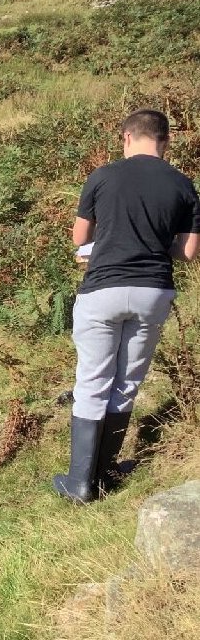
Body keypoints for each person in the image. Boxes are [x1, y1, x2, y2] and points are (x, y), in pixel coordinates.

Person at [53, 109, 200, 504]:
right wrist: (153, 244)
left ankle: (80, 483)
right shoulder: (184, 185)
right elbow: (187, 252)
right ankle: (105, 473)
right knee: (127, 383)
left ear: (126, 138)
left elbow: (79, 236)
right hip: (153, 292)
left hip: (103, 289)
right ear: (166, 142)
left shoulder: (103, 176)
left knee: (92, 382)